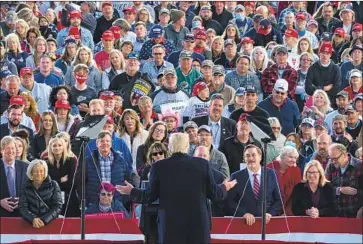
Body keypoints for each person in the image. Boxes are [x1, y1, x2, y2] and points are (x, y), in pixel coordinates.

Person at [115, 133, 236, 244]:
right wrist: (225, 186)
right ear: (188, 146)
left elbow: (149, 196)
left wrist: (131, 191)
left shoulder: (158, 166)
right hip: (197, 225)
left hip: (170, 227)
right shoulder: (202, 164)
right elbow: (214, 194)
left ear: (170, 147)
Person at [226, 144, 282, 224]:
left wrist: (270, 213)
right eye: (247, 156)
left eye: (253, 155)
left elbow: (279, 199)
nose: (250, 158)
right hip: (245, 224)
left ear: (260, 157)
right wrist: (243, 214)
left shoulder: (272, 174)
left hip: (267, 224)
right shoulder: (236, 176)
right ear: (244, 159)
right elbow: (230, 202)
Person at [86, 130, 134, 205]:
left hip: (117, 203)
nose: (105, 143)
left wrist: (124, 199)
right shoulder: (88, 161)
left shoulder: (120, 160)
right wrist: (88, 199)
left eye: (107, 141)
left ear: (111, 143)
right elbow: (80, 183)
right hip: (94, 203)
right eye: (102, 141)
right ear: (97, 144)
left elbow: (128, 180)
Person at [19, 159, 62, 228]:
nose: (39, 173)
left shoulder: (53, 185)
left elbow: (57, 206)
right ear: (31, 172)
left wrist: (45, 220)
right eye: (36, 171)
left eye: (41, 171)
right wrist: (33, 219)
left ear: (45, 172)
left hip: (50, 224)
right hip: (31, 224)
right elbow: (22, 207)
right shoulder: (25, 186)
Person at [326, 143, 363, 218]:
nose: (333, 161)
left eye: (335, 158)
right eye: (330, 158)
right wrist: (339, 190)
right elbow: (324, 187)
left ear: (344, 155)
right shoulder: (330, 165)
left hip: (354, 214)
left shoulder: (359, 166)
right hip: (336, 214)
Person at [46, 136, 79, 217]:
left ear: (64, 147)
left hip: (69, 199)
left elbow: (72, 182)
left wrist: (55, 181)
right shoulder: (46, 163)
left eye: (59, 145)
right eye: (54, 145)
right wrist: (60, 180)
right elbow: (47, 183)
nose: (57, 148)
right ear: (50, 147)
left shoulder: (71, 161)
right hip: (53, 199)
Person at [267, 146, 301, 215]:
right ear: (282, 156)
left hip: (287, 210)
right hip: (269, 210)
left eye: (295, 158)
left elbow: (296, 194)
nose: (293, 160)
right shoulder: (270, 167)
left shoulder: (296, 170)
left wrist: (287, 212)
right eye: (290, 157)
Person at [0, 136, 29, 217]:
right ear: (1, 150)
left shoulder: (26, 167)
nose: (11, 151)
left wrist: (23, 200)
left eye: (13, 148)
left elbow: (32, 190)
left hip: (21, 214)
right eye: (7, 148)